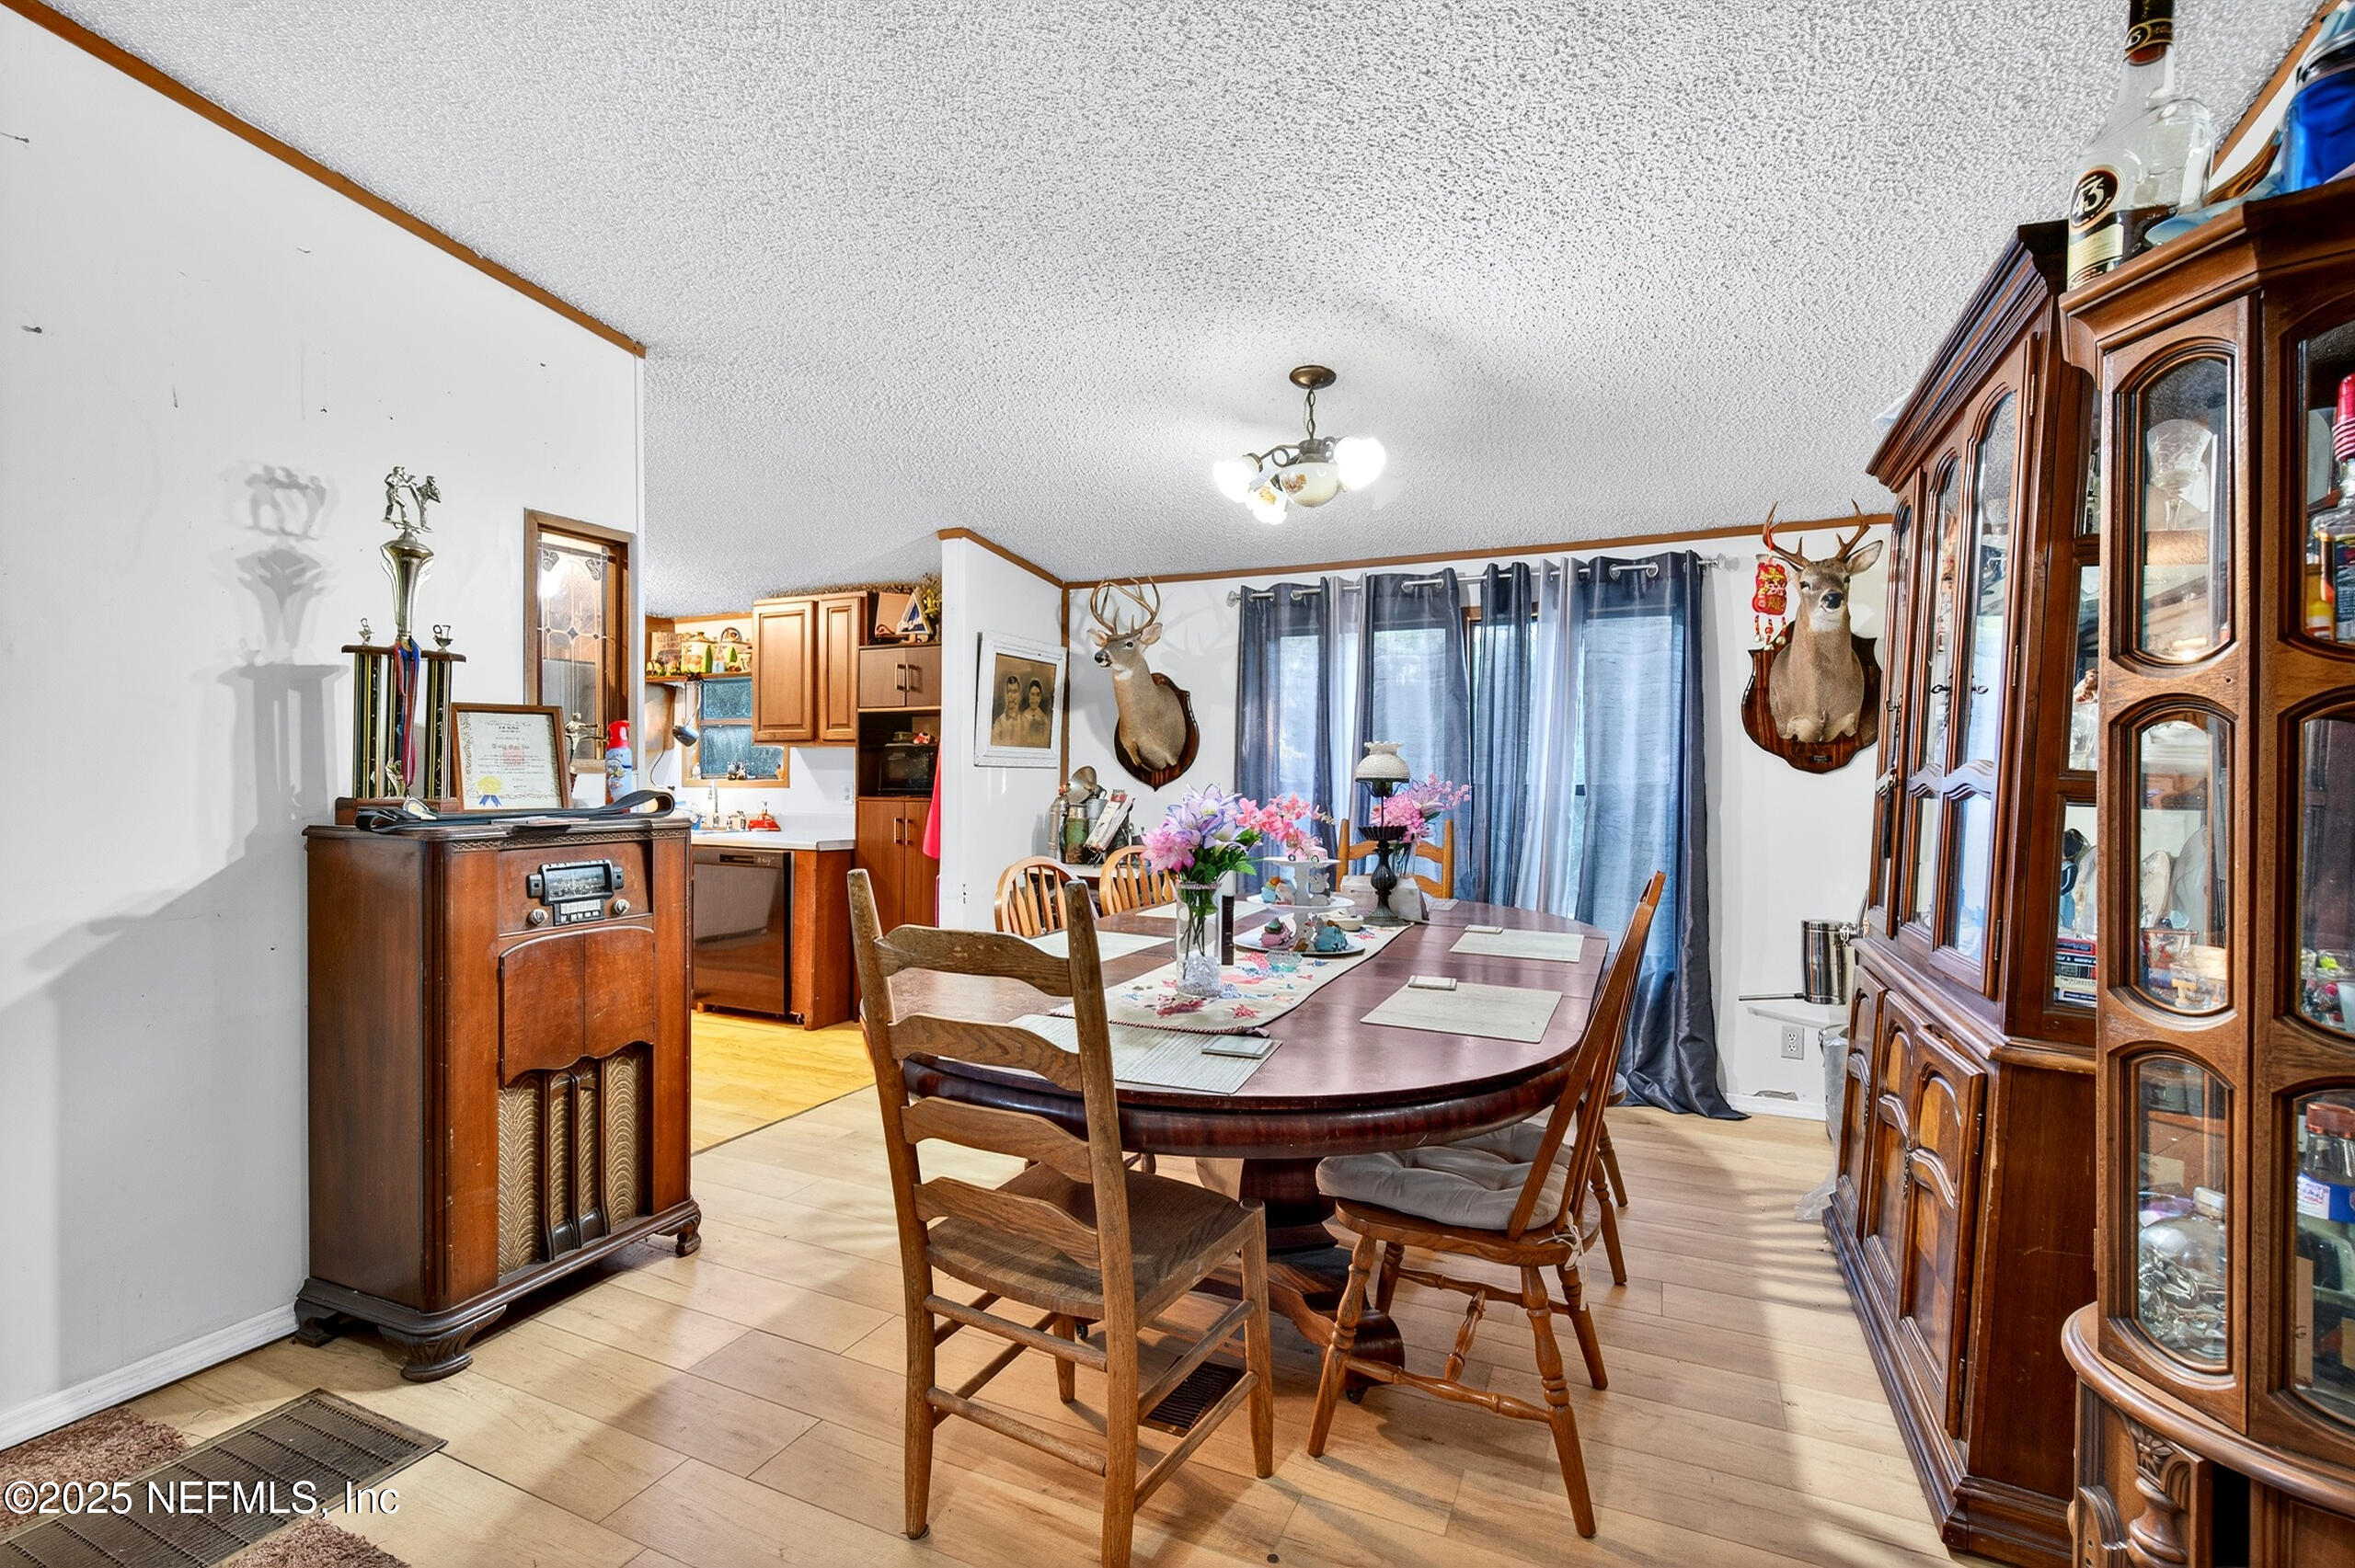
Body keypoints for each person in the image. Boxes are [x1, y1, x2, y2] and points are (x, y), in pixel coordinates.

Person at [989, 671, 1023, 747]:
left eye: (1015, 692)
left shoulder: (1025, 722)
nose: (1012, 696)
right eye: (1009, 691)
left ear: (1019, 695)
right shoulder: (999, 723)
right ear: (1005, 694)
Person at [1018, 677, 1051, 748]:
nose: (1035, 699)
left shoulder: (1044, 719)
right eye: (1032, 694)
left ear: (1040, 697)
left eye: (1037, 695)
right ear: (1029, 695)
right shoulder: (1023, 717)